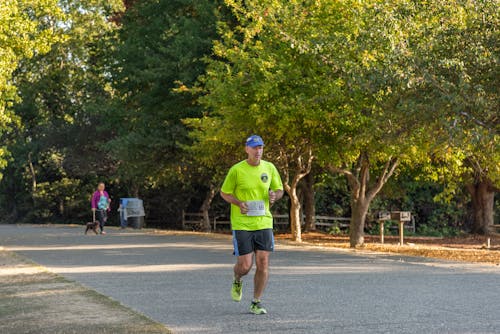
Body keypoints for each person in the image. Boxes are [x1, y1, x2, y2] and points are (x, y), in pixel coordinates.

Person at [220, 135, 284, 315]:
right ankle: (237, 279)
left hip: (264, 221)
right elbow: (224, 193)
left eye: (261, 147)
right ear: (247, 149)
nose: (258, 151)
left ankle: (256, 301)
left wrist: (274, 196)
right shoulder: (237, 170)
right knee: (245, 266)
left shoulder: (269, 168)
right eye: (254, 147)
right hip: (242, 224)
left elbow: (279, 190)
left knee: (263, 262)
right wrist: (239, 203)